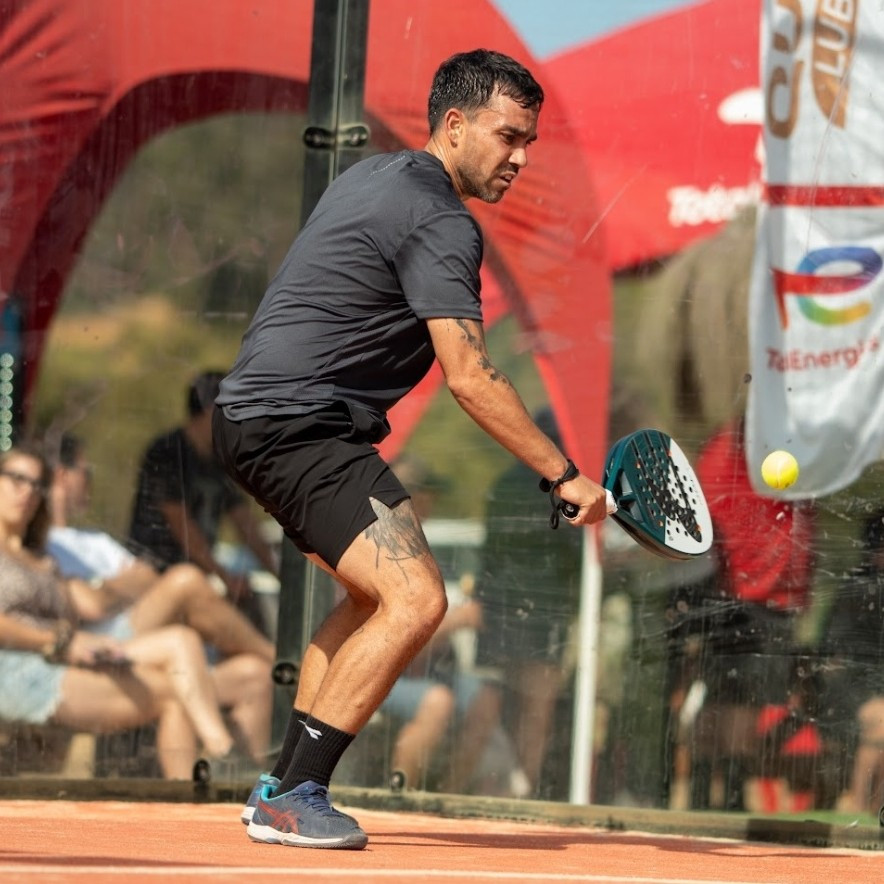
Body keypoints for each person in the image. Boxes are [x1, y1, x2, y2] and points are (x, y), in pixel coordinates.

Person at [213, 49, 608, 850]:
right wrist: (564, 474)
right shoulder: (441, 219)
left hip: (258, 418)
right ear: (454, 125)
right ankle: (296, 795)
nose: (520, 158)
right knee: (418, 600)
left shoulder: (372, 177)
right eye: (507, 136)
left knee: (373, 599)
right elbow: (471, 377)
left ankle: (278, 790)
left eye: (528, 141)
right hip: (299, 425)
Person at [0, 443, 268, 779]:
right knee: (175, 689)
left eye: (36, 484)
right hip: (19, 667)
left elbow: (91, 602)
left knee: (181, 640)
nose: (26, 492)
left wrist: (116, 591)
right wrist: (58, 639)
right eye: (16, 479)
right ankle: (224, 760)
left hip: (66, 653)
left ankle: (216, 767)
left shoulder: (42, 557)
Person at [441, 407, 583, 799]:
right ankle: (522, 789)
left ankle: (463, 788)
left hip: (500, 605)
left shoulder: (504, 483)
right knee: (534, 706)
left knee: (494, 701)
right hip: (541, 610)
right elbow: (573, 553)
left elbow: (492, 550)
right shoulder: (561, 487)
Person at [48, 433, 275, 665]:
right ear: (62, 475)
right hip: (106, 643)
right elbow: (92, 604)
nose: (90, 483)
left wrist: (107, 588)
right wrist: (125, 584)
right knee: (185, 581)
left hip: (142, 628)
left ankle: (273, 664)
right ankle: (279, 661)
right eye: (87, 473)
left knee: (251, 671)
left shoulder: (94, 538)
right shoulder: (48, 544)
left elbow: (148, 576)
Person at [127, 370, 279, 629]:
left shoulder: (219, 459)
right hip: (157, 574)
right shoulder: (167, 451)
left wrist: (280, 573)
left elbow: (244, 523)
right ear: (212, 410)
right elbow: (181, 525)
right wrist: (224, 577)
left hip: (199, 572)